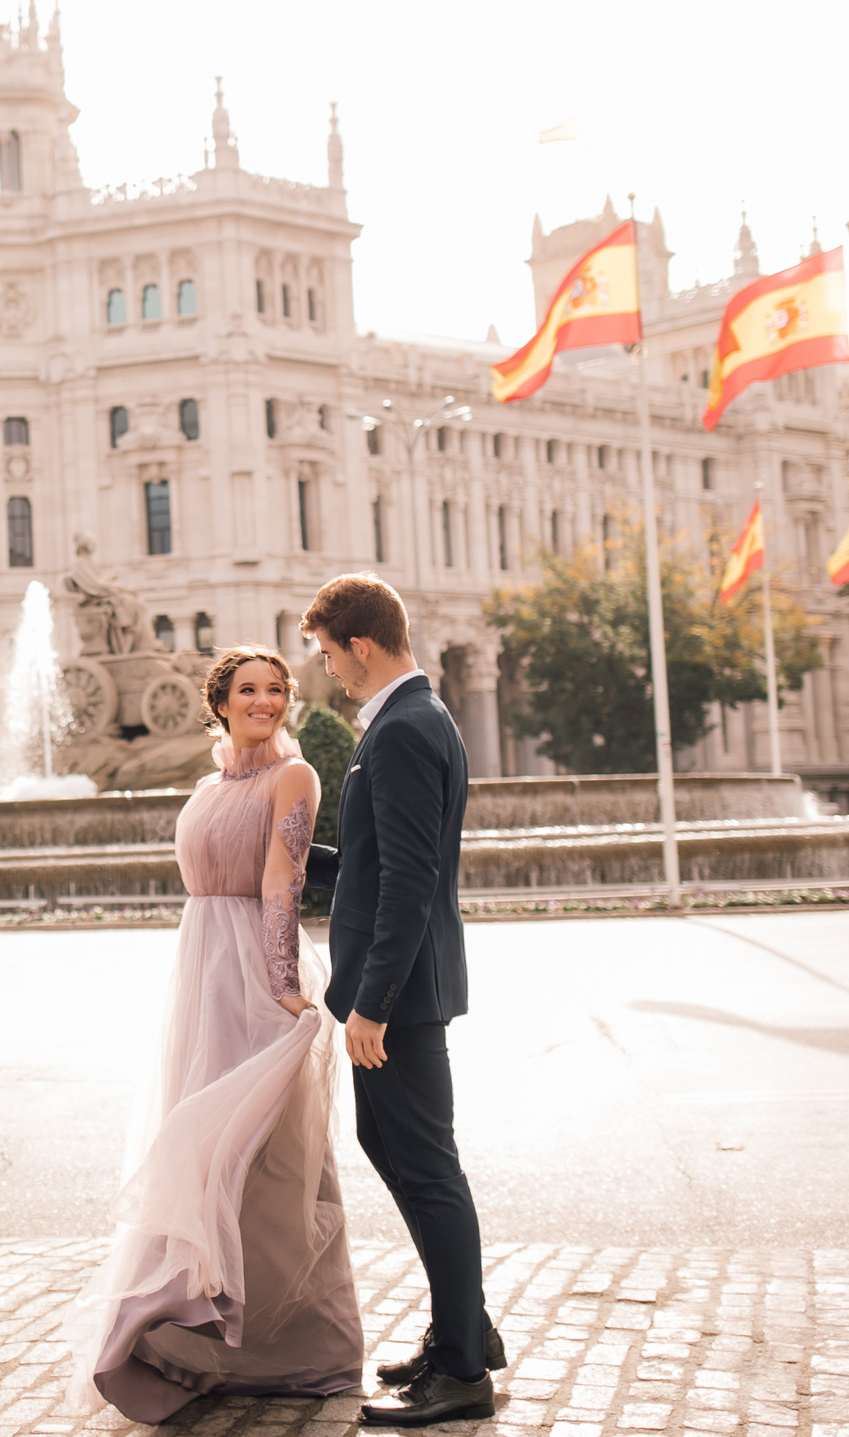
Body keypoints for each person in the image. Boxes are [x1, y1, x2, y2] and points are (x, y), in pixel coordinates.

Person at [62, 646, 364, 1423]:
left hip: (254, 976)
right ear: (220, 702)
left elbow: (281, 881)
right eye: (248, 690)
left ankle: (307, 1346)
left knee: (268, 1156)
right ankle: (200, 1345)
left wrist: (282, 984)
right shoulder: (205, 786)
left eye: (276, 689)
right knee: (204, 1150)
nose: (265, 700)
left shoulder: (295, 776)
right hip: (201, 976)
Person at [299, 574, 501, 1428]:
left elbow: (413, 878)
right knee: (391, 1143)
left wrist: (371, 1003)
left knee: (427, 1169)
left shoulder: (406, 727)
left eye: (328, 654)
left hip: (401, 996)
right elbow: (378, 866)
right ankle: (463, 1326)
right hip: (401, 987)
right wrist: (280, 850)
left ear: (363, 645)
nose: (329, 673)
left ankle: (461, 1369)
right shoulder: (411, 719)